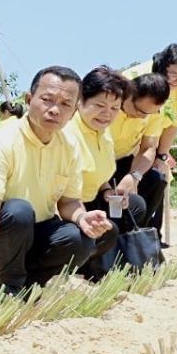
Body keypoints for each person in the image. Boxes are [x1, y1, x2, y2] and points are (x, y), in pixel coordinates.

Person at [0, 66, 113, 297]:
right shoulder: (2, 142)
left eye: (66, 104)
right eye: (47, 100)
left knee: (82, 239)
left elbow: (68, 202)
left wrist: (82, 217)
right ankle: (11, 287)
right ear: (29, 99)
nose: (55, 110)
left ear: (75, 110)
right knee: (19, 210)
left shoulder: (69, 146)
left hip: (38, 231)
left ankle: (31, 283)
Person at [62, 65, 147, 277]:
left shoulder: (103, 133)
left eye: (114, 108)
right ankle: (80, 269)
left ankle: (112, 260)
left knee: (135, 205)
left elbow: (99, 175)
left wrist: (109, 191)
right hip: (67, 208)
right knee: (108, 230)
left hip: (93, 200)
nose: (106, 114)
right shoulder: (67, 134)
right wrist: (83, 216)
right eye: (99, 105)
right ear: (80, 101)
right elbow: (60, 193)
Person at [127, 44, 177, 236]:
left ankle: (148, 238)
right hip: (125, 143)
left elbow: (175, 123)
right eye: (174, 75)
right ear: (161, 65)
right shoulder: (136, 78)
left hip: (152, 143)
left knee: (157, 179)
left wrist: (162, 156)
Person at [108, 72, 170, 232]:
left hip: (124, 161)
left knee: (156, 180)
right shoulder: (107, 103)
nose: (142, 116)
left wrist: (134, 177)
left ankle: (135, 234)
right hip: (94, 163)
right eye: (139, 110)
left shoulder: (153, 113)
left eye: (147, 114)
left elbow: (148, 147)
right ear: (128, 94)